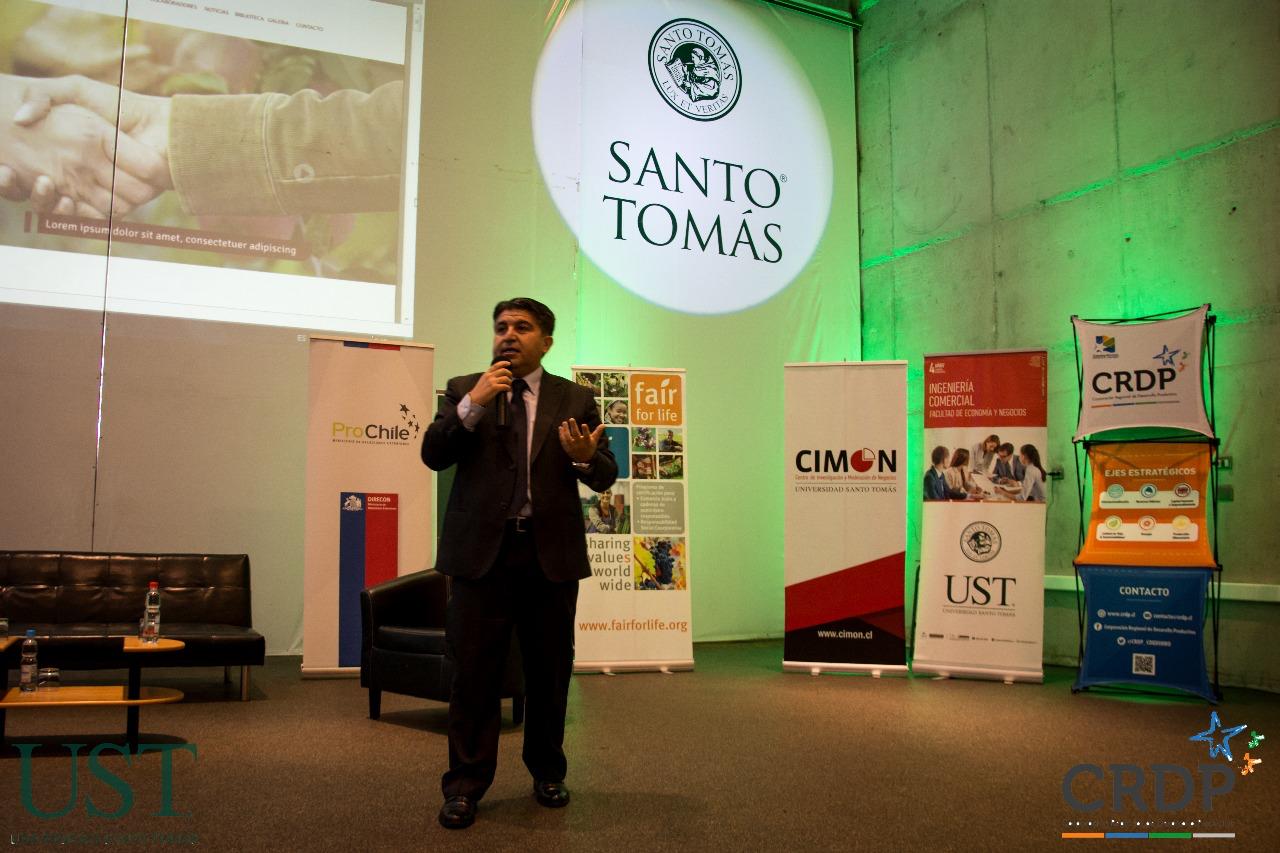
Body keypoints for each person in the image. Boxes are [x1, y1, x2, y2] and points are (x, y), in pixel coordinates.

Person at [421, 298, 618, 830]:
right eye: (501, 327)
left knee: (549, 673)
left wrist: (582, 456)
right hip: (482, 557)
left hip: (547, 555)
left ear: (546, 341)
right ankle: (464, 786)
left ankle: (548, 771)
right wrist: (475, 405)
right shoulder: (466, 388)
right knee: (474, 676)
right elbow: (434, 453)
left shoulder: (574, 396)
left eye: (522, 328)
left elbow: (603, 474)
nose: (508, 335)